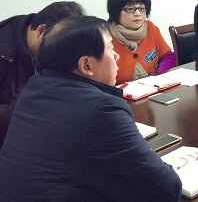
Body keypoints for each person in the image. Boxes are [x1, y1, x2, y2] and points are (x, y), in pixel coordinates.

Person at [0, 16, 182, 201]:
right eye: (111, 49)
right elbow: (166, 189)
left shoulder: (34, 88)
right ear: (86, 65)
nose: (117, 56)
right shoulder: (102, 110)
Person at [0, 1, 83, 147]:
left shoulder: (41, 35)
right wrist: (33, 110)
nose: (61, 55)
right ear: (41, 30)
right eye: (59, 47)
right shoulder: (4, 50)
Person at [107, 0, 176, 85]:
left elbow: (168, 57)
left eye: (142, 8)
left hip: (153, 87)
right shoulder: (105, 37)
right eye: (130, 9)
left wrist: (159, 78)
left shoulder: (150, 28)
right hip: (119, 92)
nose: (137, 13)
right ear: (115, 11)